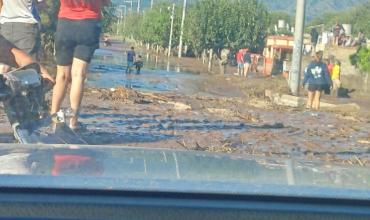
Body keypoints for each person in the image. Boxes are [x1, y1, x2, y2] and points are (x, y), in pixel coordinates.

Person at [51, 0, 110, 130]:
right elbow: (106, 3)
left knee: (62, 76)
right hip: (89, 24)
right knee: (78, 75)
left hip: (65, 24)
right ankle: (73, 123)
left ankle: (55, 123)